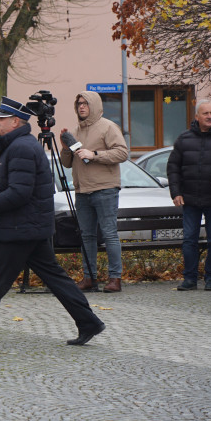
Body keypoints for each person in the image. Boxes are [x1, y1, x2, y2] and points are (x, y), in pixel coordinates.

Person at [0, 96, 106, 346]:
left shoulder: (21, 148)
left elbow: (19, 193)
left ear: (15, 122)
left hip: (19, 229)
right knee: (55, 278)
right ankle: (89, 322)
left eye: (1, 118)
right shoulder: (19, 145)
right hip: (28, 227)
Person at [60, 91, 129, 293]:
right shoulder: (75, 131)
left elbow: (123, 152)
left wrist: (95, 154)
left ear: (95, 105)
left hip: (105, 189)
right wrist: (65, 148)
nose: (81, 107)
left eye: (85, 103)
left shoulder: (108, 127)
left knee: (109, 234)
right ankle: (89, 277)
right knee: (87, 236)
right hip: (82, 191)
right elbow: (67, 163)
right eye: (79, 103)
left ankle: (115, 278)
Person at [167, 99, 211, 291]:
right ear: (197, 117)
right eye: (206, 113)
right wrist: (176, 192)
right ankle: (190, 279)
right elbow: (173, 168)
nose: (210, 116)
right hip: (189, 199)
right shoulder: (183, 139)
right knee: (189, 240)